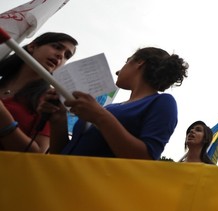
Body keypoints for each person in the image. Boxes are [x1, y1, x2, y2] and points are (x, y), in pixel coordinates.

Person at [46, 47, 188, 160]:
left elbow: (146, 159)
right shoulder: (110, 108)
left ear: (140, 62)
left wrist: (100, 116)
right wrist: (59, 117)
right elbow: (62, 154)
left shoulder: (163, 102)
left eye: (126, 61)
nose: (117, 71)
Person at [0, 32, 77, 153]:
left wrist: (3, 118)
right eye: (57, 47)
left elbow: (37, 154)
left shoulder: (49, 102)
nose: (60, 55)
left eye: (67, 55)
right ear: (32, 46)